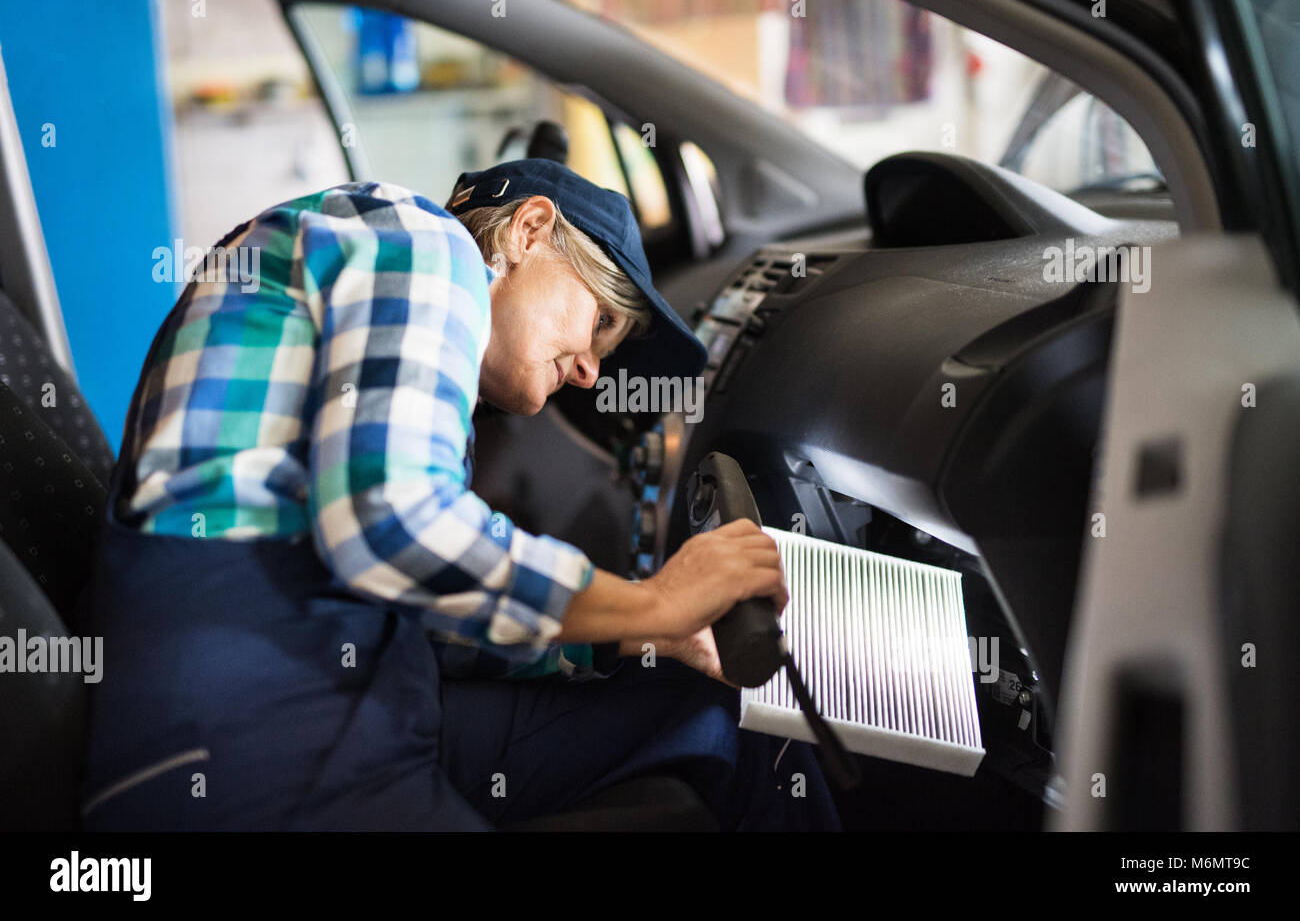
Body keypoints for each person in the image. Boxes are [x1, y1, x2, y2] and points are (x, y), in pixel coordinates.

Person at [77, 158, 842, 830]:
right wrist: (654, 602)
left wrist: (642, 636)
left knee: (724, 704)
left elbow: (423, 608)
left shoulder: (411, 341)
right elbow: (393, 525)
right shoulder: (424, 243)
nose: (590, 374)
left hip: (361, 694)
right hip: (247, 723)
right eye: (599, 320)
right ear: (530, 231)